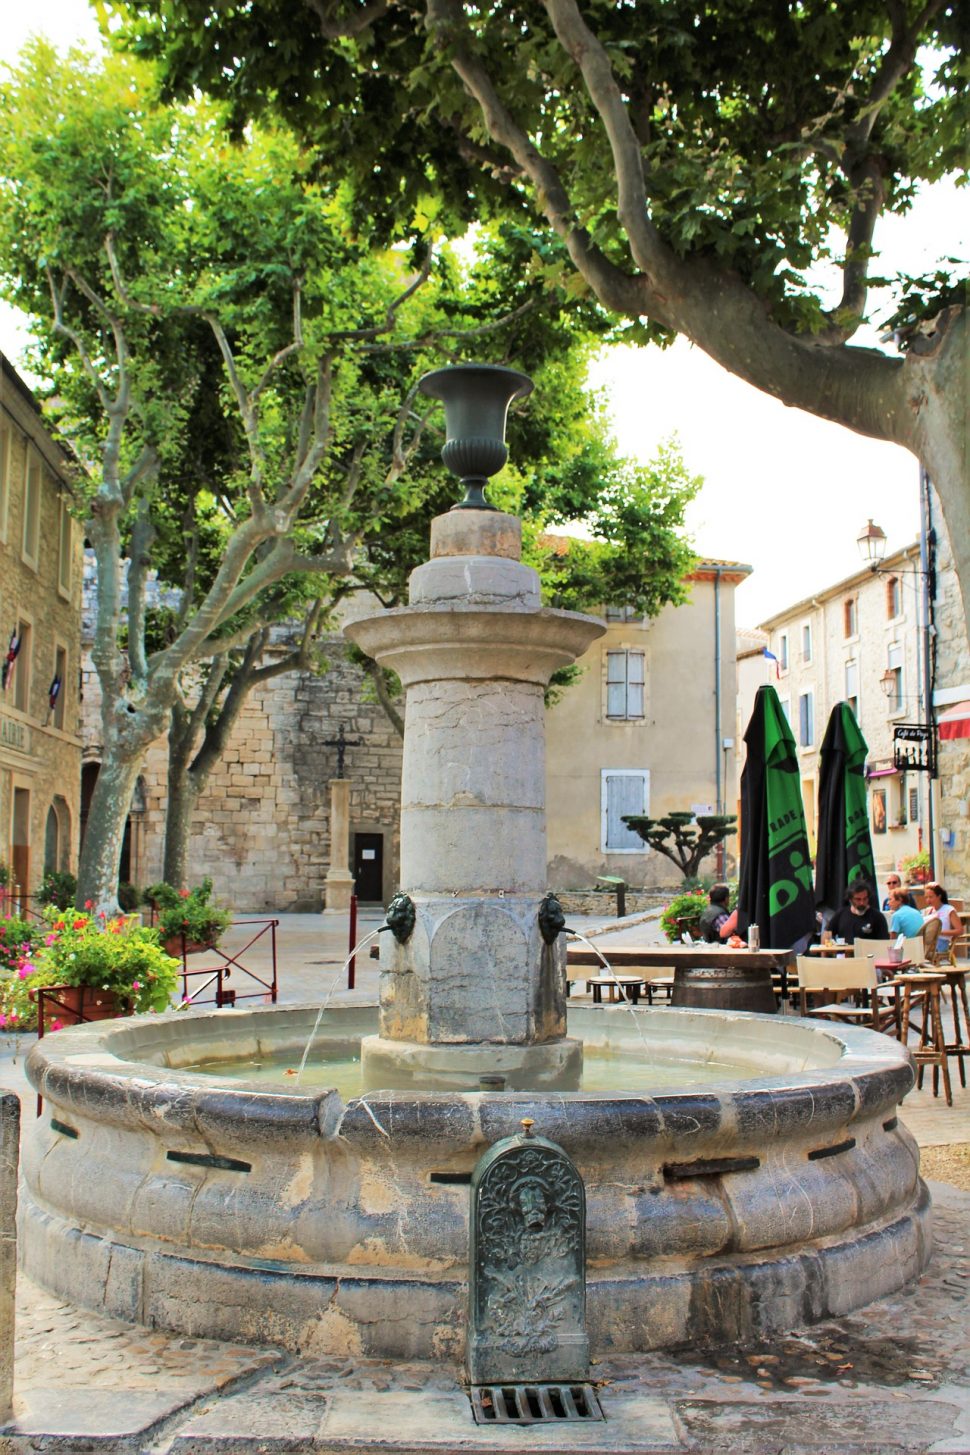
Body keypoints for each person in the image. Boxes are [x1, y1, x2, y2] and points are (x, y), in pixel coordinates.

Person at [922, 882, 962, 956]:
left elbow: (959, 931)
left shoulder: (949, 910)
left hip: (941, 942)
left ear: (939, 896)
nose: (928, 900)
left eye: (931, 897)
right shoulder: (928, 911)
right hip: (928, 942)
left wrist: (940, 932)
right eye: (926, 897)